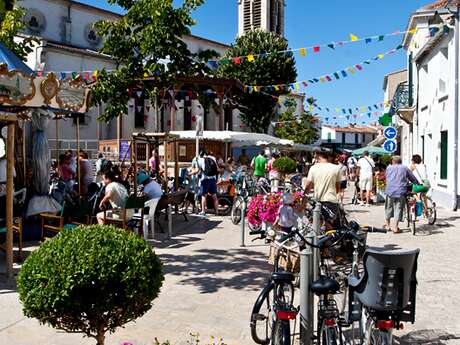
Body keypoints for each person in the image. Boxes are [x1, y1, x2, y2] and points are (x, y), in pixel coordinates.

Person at [384, 155, 419, 234]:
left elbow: (387, 178)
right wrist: (417, 183)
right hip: (401, 191)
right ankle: (395, 228)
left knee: (388, 207)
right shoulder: (405, 168)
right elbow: (412, 178)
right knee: (398, 208)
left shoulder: (389, 168)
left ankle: (387, 226)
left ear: (393, 161)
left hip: (390, 191)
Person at [303, 151, 341, 218]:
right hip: (331, 200)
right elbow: (337, 188)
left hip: (317, 200)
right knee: (329, 225)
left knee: (316, 223)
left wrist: (303, 203)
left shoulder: (313, 168)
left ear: (319, 156)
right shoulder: (336, 168)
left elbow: (308, 186)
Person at [190, 150, 219, 217]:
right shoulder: (213, 158)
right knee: (214, 196)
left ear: (200, 154)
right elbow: (217, 169)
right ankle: (217, 211)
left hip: (205, 180)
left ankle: (203, 211)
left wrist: (190, 173)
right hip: (213, 179)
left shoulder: (199, 160)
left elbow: (197, 170)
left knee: (204, 196)